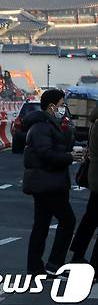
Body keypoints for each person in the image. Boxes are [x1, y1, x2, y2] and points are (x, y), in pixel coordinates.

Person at [22, 89, 83, 275]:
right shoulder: (42, 127)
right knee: (67, 221)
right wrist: (69, 156)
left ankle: (36, 267)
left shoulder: (49, 124)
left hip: (48, 182)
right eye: (62, 105)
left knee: (41, 225)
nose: (63, 108)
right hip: (47, 183)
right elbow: (46, 154)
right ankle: (54, 264)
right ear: (52, 106)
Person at [70, 106, 98, 275]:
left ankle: (77, 256)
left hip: (95, 178)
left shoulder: (94, 122)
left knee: (89, 221)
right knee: (90, 221)